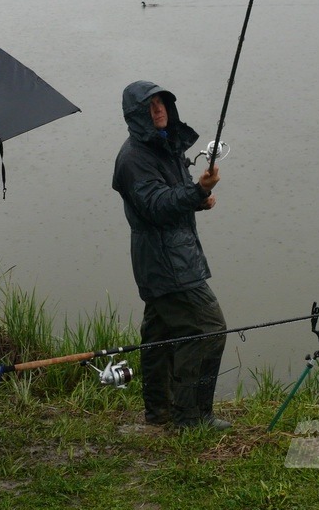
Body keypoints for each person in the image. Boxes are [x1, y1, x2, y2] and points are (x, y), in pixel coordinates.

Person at [112, 80, 230, 430]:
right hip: (168, 263)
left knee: (160, 337)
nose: (159, 109)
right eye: (150, 106)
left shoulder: (162, 147)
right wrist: (196, 191)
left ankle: (159, 413)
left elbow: (170, 197)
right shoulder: (133, 158)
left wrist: (198, 199)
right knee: (209, 329)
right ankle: (191, 418)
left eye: (161, 102)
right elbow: (156, 205)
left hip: (165, 258)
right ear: (137, 115)